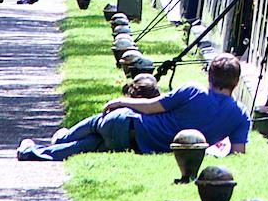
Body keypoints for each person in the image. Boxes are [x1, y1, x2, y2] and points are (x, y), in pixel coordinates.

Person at [17, 54, 251, 161]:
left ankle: (56, 139)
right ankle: (30, 152)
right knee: (84, 148)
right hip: (135, 144)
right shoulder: (240, 116)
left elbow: (150, 106)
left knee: (78, 136)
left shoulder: (192, 91)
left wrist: (121, 101)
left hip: (124, 122)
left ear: (209, 76)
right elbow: (238, 154)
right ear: (236, 82)